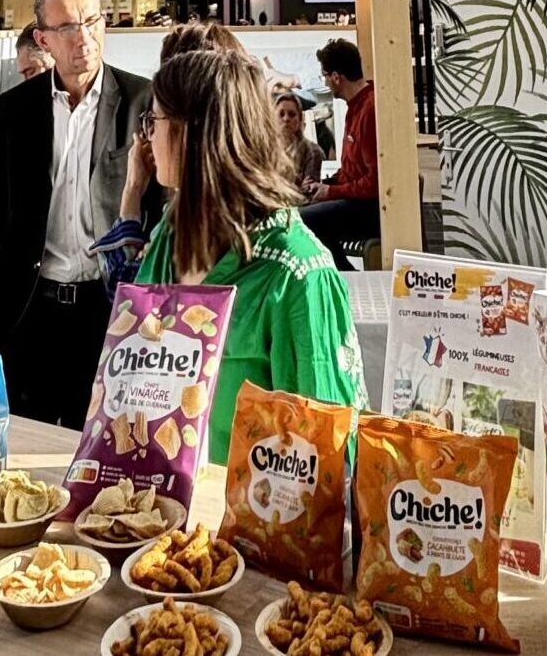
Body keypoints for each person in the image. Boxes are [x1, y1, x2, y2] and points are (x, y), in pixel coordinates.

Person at [136, 50, 368, 463]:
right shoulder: (170, 236)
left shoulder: (296, 274)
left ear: (192, 134)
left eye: (154, 120)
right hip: (154, 494)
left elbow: (330, 455)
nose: (147, 137)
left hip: (248, 503)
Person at [0, 0, 157, 429]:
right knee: (22, 443)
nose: (85, 38)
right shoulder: (17, 109)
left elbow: (159, 207)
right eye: (69, 27)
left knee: (95, 442)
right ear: (44, 40)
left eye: (92, 21)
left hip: (108, 311)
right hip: (31, 310)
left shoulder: (141, 101)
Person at [91, 22, 244, 290]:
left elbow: (127, 291)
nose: (151, 133)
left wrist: (132, 191)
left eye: (156, 117)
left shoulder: (187, 218)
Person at [301, 38, 379, 270]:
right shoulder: (355, 107)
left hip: (371, 208)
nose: (325, 82)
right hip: (357, 201)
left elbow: (374, 183)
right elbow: (352, 171)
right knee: (303, 215)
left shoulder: (369, 110)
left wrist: (331, 192)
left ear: (336, 77)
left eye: (324, 76)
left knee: (304, 221)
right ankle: (342, 273)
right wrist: (325, 185)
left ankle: (343, 276)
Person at [276, 92, 324, 190]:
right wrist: (298, 188)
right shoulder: (266, 150)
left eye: (292, 114)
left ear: (300, 119)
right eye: (281, 114)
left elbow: (309, 191)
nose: (286, 119)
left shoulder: (312, 151)